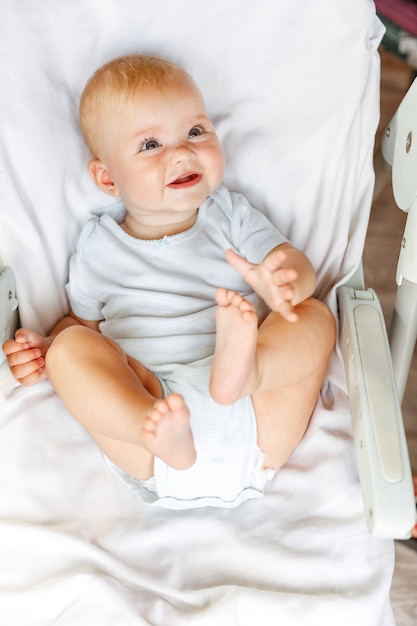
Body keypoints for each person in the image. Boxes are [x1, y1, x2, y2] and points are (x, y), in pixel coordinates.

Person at [2, 54, 336, 509]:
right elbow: (81, 327)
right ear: (107, 178)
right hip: (152, 417)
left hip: (257, 413)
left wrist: (285, 281)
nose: (182, 152)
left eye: (196, 132)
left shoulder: (229, 215)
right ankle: (149, 424)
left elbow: (290, 263)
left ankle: (246, 371)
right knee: (70, 350)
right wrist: (46, 347)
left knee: (313, 315)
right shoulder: (97, 247)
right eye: (150, 145)